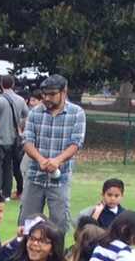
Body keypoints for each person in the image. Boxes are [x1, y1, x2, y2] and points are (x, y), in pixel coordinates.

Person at [19, 74, 85, 232]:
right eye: (45, 94)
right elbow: (27, 141)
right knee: (27, 225)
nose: (47, 98)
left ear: (64, 92)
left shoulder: (77, 113)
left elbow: (76, 143)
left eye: (52, 94)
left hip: (60, 179)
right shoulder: (35, 113)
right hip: (35, 177)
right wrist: (41, 160)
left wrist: (57, 160)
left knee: (59, 226)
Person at [0, 75, 27, 199]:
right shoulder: (20, 100)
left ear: (1, 85)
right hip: (12, 139)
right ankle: (6, 193)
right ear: (13, 85)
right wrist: (19, 126)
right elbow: (27, 115)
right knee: (8, 166)